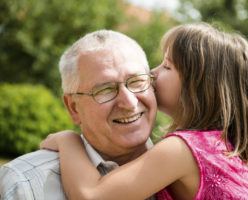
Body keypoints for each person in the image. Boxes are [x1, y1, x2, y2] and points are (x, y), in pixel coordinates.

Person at [40, 22, 248, 200]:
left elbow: (91, 196)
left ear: (196, 87)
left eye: (167, 66)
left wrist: (68, 140)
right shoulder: (216, 146)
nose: (152, 73)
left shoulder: (182, 150)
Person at [0, 30, 157, 200]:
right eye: (104, 89)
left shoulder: (183, 171)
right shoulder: (25, 186)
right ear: (73, 107)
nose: (129, 102)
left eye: (136, 82)